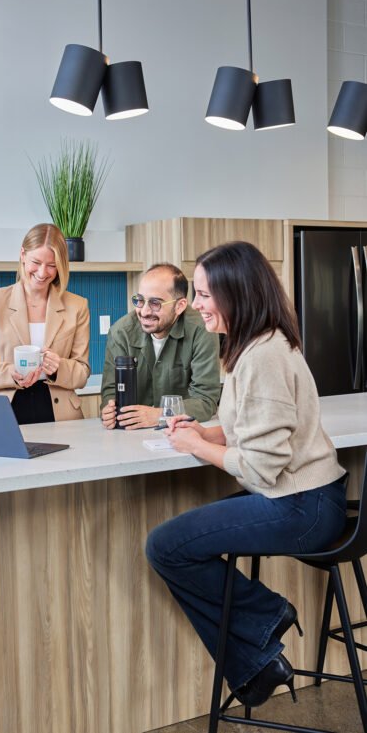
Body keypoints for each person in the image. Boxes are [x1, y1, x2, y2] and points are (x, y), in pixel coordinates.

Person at [145, 241, 348, 707]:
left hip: (302, 507)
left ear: (235, 293)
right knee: (170, 544)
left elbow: (261, 468)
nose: (194, 306)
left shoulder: (262, 356)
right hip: (306, 498)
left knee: (166, 547)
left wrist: (196, 446)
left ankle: (267, 613)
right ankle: (259, 664)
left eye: (202, 295)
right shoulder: (259, 344)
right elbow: (256, 429)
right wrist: (211, 432)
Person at [0, 223, 90, 423]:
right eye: (36, 262)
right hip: (7, 408)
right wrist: (9, 371)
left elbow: (82, 372)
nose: (43, 273)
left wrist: (59, 367)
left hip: (61, 414)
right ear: (22, 255)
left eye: (52, 265)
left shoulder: (77, 306)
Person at [100, 263, 220, 429]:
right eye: (140, 300)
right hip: (132, 433)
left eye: (155, 303)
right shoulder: (120, 332)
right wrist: (109, 409)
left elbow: (206, 400)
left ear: (180, 306)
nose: (144, 311)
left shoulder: (202, 330)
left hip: (184, 431)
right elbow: (110, 391)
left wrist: (160, 414)